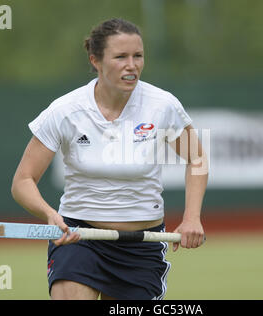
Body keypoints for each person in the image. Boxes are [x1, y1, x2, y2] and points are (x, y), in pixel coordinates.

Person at [11, 18, 208, 300]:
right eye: (121, 57)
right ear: (96, 60)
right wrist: (49, 214)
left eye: (138, 56)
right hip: (80, 239)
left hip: (141, 244)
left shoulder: (162, 105)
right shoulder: (66, 110)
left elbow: (197, 158)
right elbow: (23, 180)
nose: (132, 65)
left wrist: (192, 218)